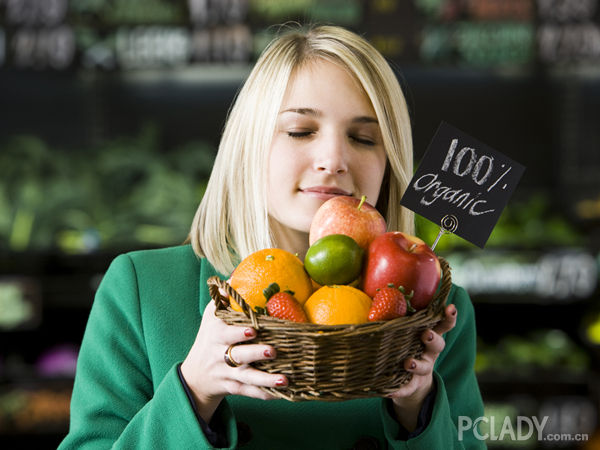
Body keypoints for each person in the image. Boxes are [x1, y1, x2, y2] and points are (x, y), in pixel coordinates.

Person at [59, 24, 485, 449]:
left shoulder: (437, 314)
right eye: (301, 130)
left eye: (364, 138)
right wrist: (192, 393)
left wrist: (419, 413)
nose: (334, 159)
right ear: (249, 145)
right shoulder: (141, 290)